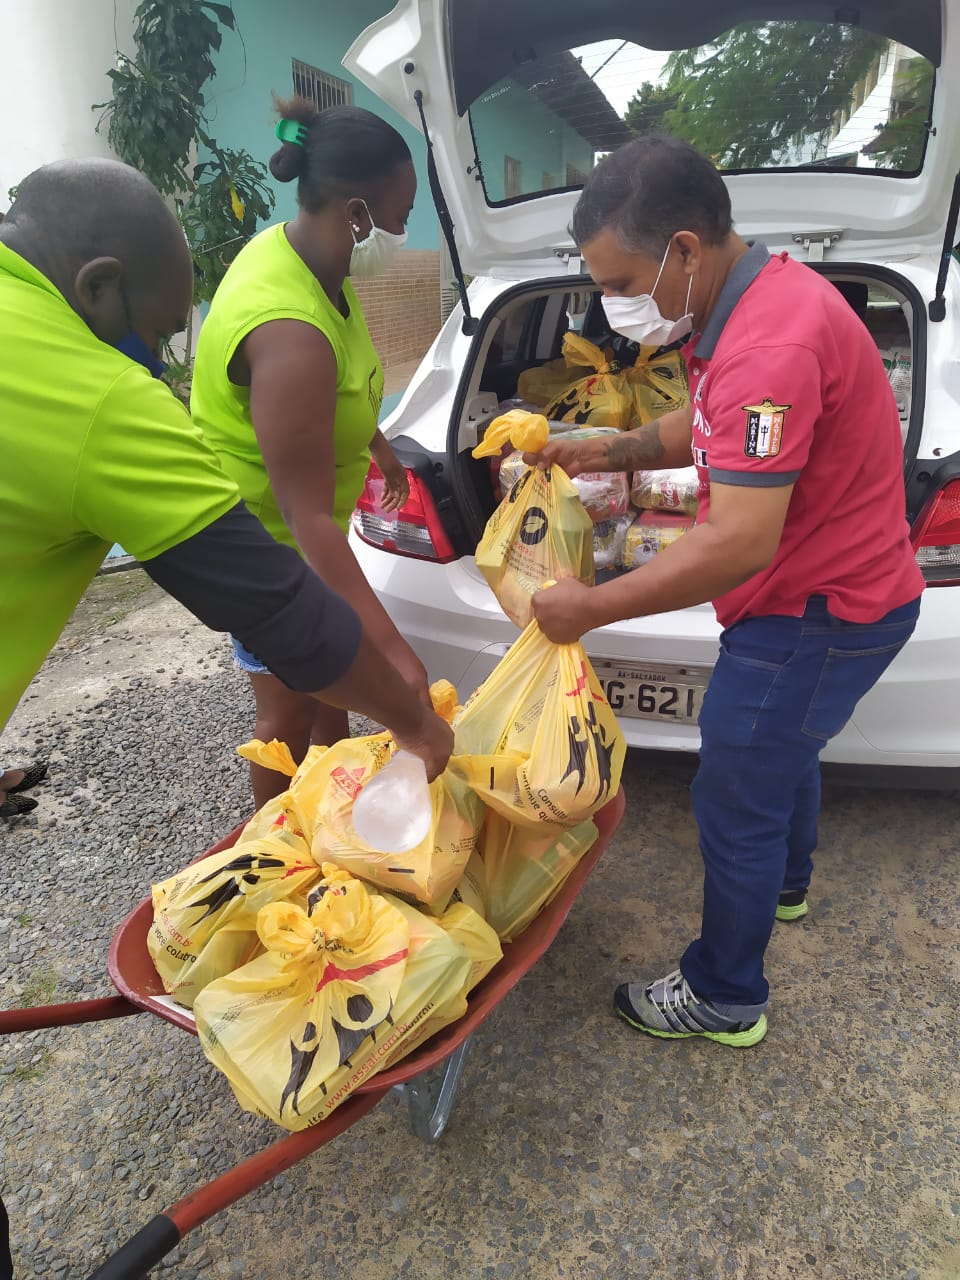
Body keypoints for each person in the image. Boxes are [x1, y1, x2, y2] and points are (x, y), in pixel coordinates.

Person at [0, 155, 455, 1279]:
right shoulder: (93, 393)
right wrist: (414, 720)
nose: (164, 365)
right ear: (98, 287)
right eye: (160, 336)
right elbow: (286, 612)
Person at [524, 134, 923, 1047]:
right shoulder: (754, 302)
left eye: (622, 283)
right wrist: (606, 449)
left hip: (818, 613)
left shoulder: (771, 343)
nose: (615, 305)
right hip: (836, 595)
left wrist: (590, 609)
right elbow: (702, 424)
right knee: (786, 750)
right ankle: (785, 884)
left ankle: (724, 994)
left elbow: (738, 541)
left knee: (736, 788)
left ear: (684, 250)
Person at [191, 98, 425, 807]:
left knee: (332, 693)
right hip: (262, 548)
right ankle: (270, 848)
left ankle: (332, 809)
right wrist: (394, 654)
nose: (404, 233)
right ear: (356, 214)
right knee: (286, 717)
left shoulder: (308, 259)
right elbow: (306, 518)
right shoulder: (289, 328)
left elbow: (336, 393)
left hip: (299, 534)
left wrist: (379, 447)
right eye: (400, 216)